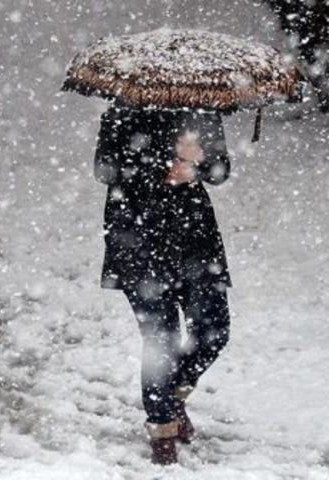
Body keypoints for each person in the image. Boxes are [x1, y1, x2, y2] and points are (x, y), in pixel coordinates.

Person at [93, 102, 232, 465]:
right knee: (161, 340)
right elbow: (106, 169)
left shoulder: (202, 110)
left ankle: (170, 397)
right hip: (138, 240)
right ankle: (162, 430)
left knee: (214, 329)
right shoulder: (123, 111)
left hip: (195, 242)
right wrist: (166, 163)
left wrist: (198, 163)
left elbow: (220, 171)